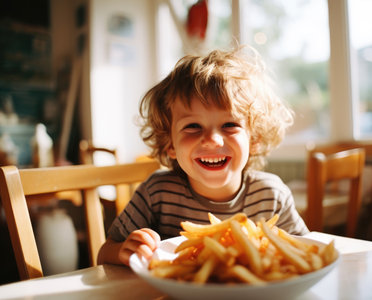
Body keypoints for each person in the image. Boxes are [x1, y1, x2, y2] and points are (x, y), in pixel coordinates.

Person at [97, 45, 309, 266]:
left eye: (229, 124)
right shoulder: (156, 194)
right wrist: (125, 250)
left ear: (253, 139)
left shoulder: (271, 195)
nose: (212, 140)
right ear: (170, 143)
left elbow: (304, 251)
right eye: (193, 126)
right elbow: (104, 254)